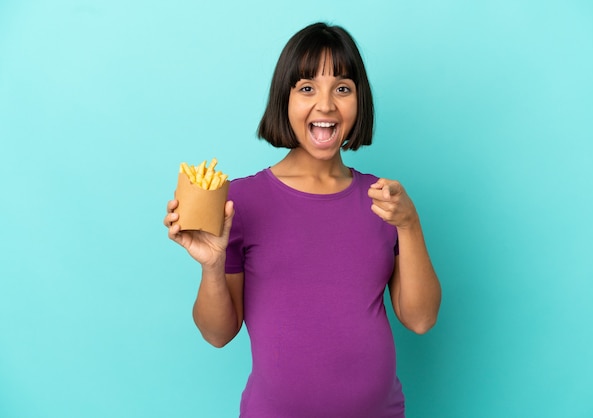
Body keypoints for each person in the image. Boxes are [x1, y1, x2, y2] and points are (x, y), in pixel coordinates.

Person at [164, 22, 441, 418]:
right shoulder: (240, 201)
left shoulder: (385, 200)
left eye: (342, 89)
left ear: (359, 101)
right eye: (307, 88)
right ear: (285, 99)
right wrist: (211, 266)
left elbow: (421, 319)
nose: (326, 105)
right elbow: (217, 334)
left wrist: (410, 224)